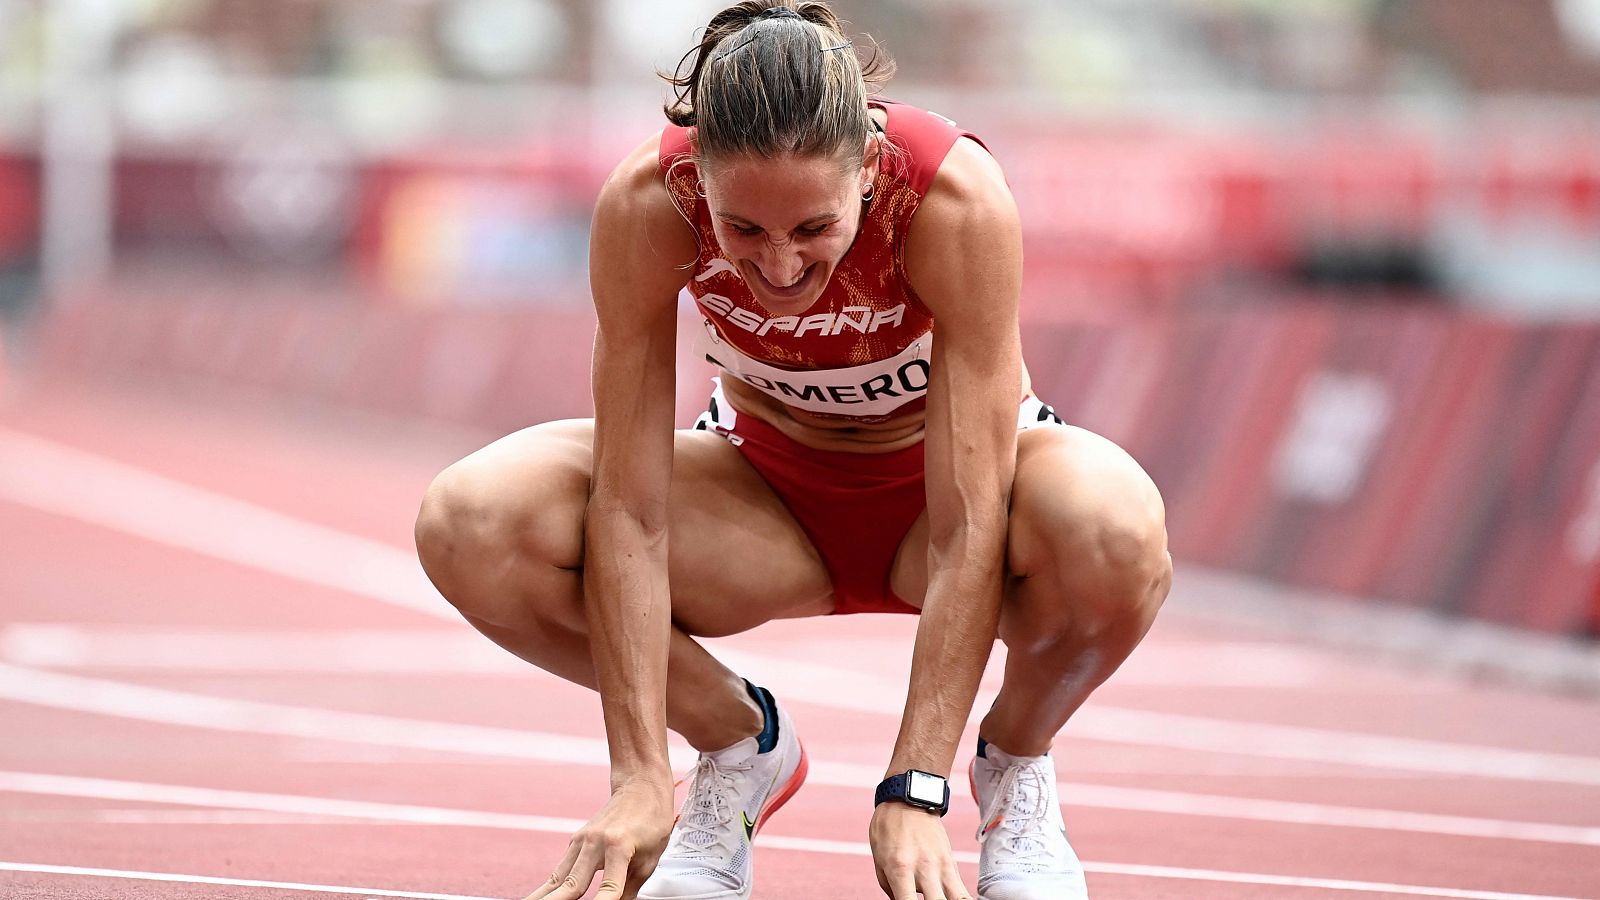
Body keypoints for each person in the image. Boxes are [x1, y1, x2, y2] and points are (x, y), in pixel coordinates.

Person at [414, 2, 1172, 898]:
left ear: (866, 176)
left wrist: (914, 786)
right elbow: (629, 505)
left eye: (814, 229)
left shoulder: (953, 199)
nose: (779, 268)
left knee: (1115, 528)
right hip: (763, 501)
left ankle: (1015, 766)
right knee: (471, 522)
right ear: (699, 180)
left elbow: (971, 522)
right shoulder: (647, 207)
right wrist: (638, 775)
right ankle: (739, 746)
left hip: (951, 500)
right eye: (744, 232)